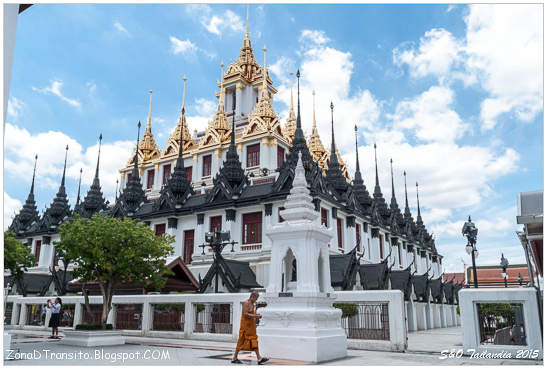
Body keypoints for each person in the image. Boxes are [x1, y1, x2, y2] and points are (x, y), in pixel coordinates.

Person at [232, 291, 268, 365]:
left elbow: (251, 314)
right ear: (252, 297)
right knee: (241, 341)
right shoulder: (246, 303)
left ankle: (259, 358)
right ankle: (235, 357)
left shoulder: (252, 304)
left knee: (254, 340)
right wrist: (256, 316)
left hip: (251, 326)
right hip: (245, 326)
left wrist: (255, 316)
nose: (256, 300)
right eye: (256, 298)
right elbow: (245, 314)